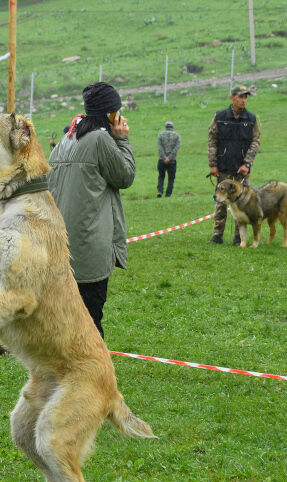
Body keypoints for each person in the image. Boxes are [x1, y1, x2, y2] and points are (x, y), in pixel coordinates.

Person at [47, 82, 135, 338]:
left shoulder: (66, 139)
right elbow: (125, 176)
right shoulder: (99, 139)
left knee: (67, 320)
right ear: (110, 114)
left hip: (61, 245)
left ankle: (65, 372)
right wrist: (122, 139)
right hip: (89, 247)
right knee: (90, 322)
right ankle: (91, 374)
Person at [207, 85, 261, 245]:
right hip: (223, 166)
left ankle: (239, 237)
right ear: (232, 97)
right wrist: (213, 164)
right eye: (240, 97)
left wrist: (248, 163)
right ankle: (217, 235)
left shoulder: (252, 119)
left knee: (243, 202)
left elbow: (255, 141)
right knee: (221, 201)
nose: (243, 100)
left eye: (246, 97)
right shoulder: (220, 116)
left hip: (242, 169)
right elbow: (212, 140)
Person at [156, 120, 180, 198]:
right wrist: (169, 158)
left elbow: (160, 147)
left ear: (166, 127)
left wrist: (164, 157)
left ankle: (160, 191)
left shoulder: (160, 135)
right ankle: (168, 194)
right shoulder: (177, 136)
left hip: (161, 160)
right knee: (171, 178)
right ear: (173, 127)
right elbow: (176, 148)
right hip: (172, 160)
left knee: (161, 176)